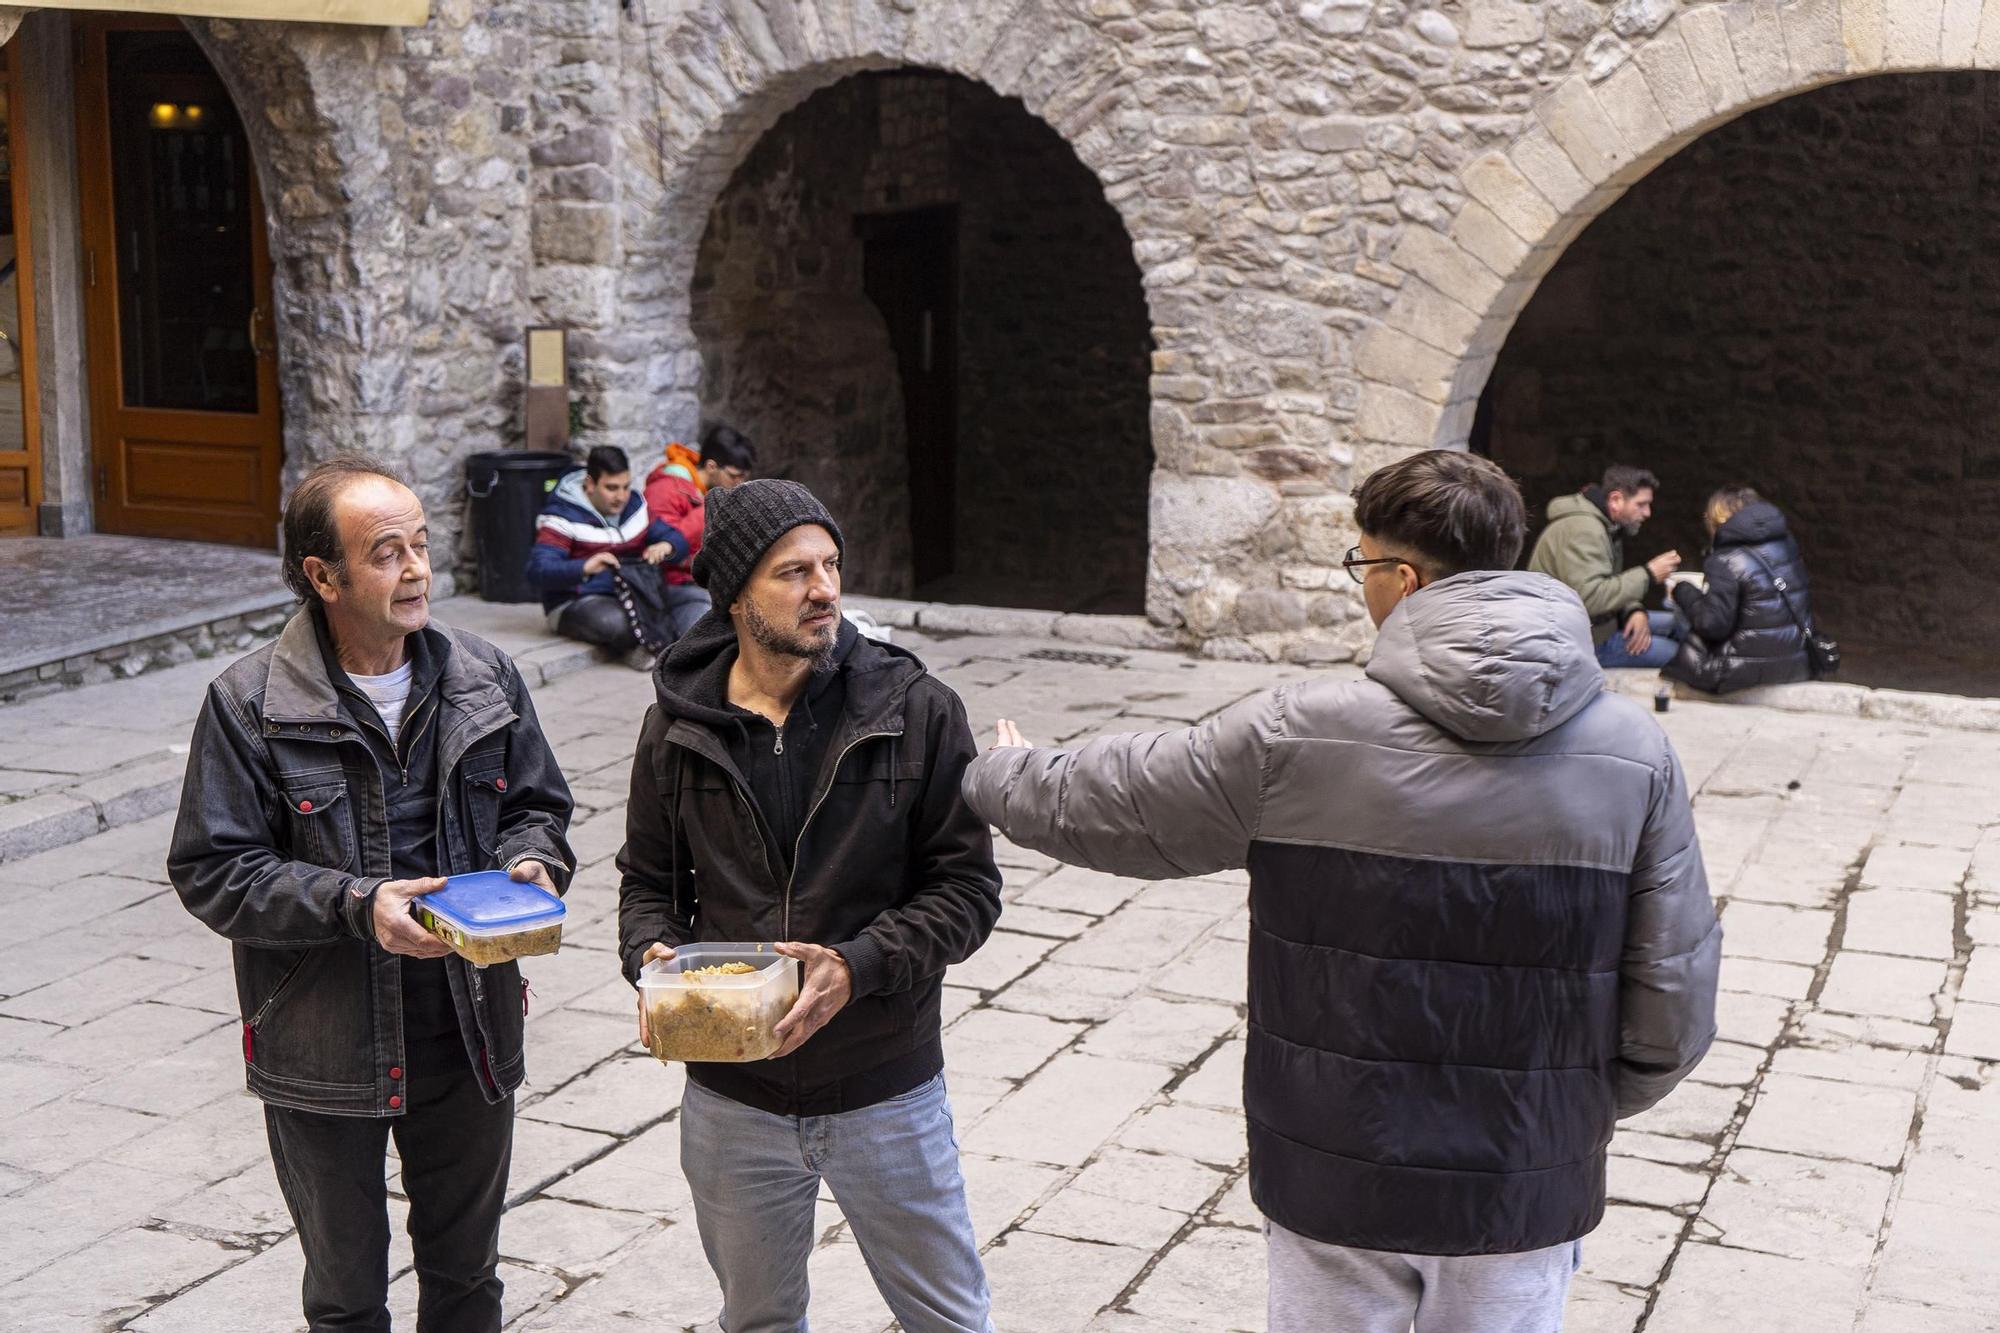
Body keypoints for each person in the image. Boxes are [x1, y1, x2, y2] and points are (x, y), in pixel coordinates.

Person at [962, 450, 1720, 1333]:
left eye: (1361, 565)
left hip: (1336, 1167)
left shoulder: (1300, 733)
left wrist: (1000, 773)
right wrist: (1567, 1104)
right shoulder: (1637, 753)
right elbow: (1674, 1002)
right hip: (1525, 1174)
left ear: (1402, 579)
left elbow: (1123, 798)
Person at [167, 457, 575, 1332]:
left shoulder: (484, 674)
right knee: (348, 1297)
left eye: (422, 545)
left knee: (469, 1281)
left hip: (469, 1025)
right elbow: (214, 868)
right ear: (324, 576)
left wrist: (534, 861)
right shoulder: (249, 703)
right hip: (327, 1042)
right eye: (388, 552)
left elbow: (537, 806)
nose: (418, 568)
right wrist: (360, 903)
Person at [617, 479, 1003, 1332]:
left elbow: (968, 887)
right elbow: (648, 883)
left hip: (885, 1087)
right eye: (793, 572)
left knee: (950, 1320)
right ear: (735, 595)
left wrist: (857, 965)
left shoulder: (917, 710)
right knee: (756, 1321)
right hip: (732, 1099)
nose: (824, 588)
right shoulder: (679, 726)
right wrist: (651, 959)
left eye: (830, 564)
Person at [525, 444, 688, 667]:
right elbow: (538, 571)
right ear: (590, 484)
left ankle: (659, 650)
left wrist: (666, 546)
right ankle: (646, 649)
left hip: (635, 595)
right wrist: (585, 567)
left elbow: (677, 539)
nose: (621, 496)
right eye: (611, 488)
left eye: (625, 487)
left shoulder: (635, 505)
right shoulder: (560, 517)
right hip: (576, 603)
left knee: (699, 602)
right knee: (619, 622)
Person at [1527, 463, 1683, 668]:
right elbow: (1590, 597)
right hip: (1580, 642)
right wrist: (1648, 574)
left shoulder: (1605, 525)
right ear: (1616, 500)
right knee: (1679, 653)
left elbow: (1608, 580)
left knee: (1678, 625)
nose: (1647, 513)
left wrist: (1632, 610)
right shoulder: (1585, 530)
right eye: (1641, 504)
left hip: (1599, 625)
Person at [1661, 486, 1814, 693]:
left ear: (1719, 521)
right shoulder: (1786, 544)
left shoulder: (1726, 559)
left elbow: (1713, 625)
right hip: (1795, 661)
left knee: (1676, 613)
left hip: (1743, 668)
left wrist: (1682, 591)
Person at [642, 424, 756, 640]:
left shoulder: (706, 491)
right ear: (712, 466)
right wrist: (708, 510)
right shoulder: (665, 489)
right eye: (734, 476)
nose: (740, 484)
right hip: (674, 588)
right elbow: (661, 547)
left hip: (705, 585)